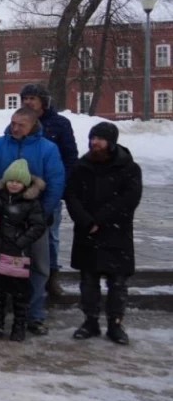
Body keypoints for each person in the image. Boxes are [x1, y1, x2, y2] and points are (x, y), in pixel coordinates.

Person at [0, 107, 65, 335]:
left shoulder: (47, 149)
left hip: (33, 222)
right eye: (13, 123)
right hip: (0, 222)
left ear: (34, 124)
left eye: (21, 125)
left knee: (37, 267)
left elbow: (56, 184)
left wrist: (39, 217)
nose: (15, 128)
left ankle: (33, 315)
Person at [65, 122, 143, 345]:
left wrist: (101, 219)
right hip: (87, 231)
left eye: (99, 138)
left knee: (117, 282)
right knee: (88, 281)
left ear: (111, 142)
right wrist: (86, 220)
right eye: (92, 138)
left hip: (116, 233)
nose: (94, 143)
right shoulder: (82, 166)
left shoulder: (128, 167)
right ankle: (90, 321)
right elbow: (71, 196)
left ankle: (115, 324)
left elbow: (129, 199)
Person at [0, 159, 47, 342]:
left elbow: (38, 226)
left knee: (20, 293)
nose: (14, 184)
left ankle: (19, 326)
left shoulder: (31, 203)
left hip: (19, 254)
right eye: (11, 180)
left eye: (18, 181)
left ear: (25, 183)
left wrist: (21, 241)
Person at [20, 82, 78, 299]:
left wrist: (60, 187)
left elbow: (70, 157)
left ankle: (51, 276)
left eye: (32, 98)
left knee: (50, 237)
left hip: (50, 193)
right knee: (22, 235)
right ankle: (24, 275)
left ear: (43, 102)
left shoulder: (60, 124)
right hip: (21, 192)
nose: (27, 102)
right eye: (25, 98)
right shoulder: (19, 122)